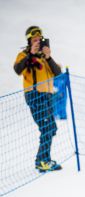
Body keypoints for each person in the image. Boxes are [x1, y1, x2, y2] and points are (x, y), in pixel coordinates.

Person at [13, 26, 62, 172]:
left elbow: (57, 73)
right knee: (46, 127)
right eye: (34, 40)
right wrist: (31, 54)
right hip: (35, 95)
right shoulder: (24, 55)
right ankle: (42, 161)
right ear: (29, 41)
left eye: (39, 39)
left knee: (51, 127)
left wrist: (48, 56)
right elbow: (17, 70)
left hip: (47, 95)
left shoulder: (43, 56)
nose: (37, 42)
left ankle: (43, 159)